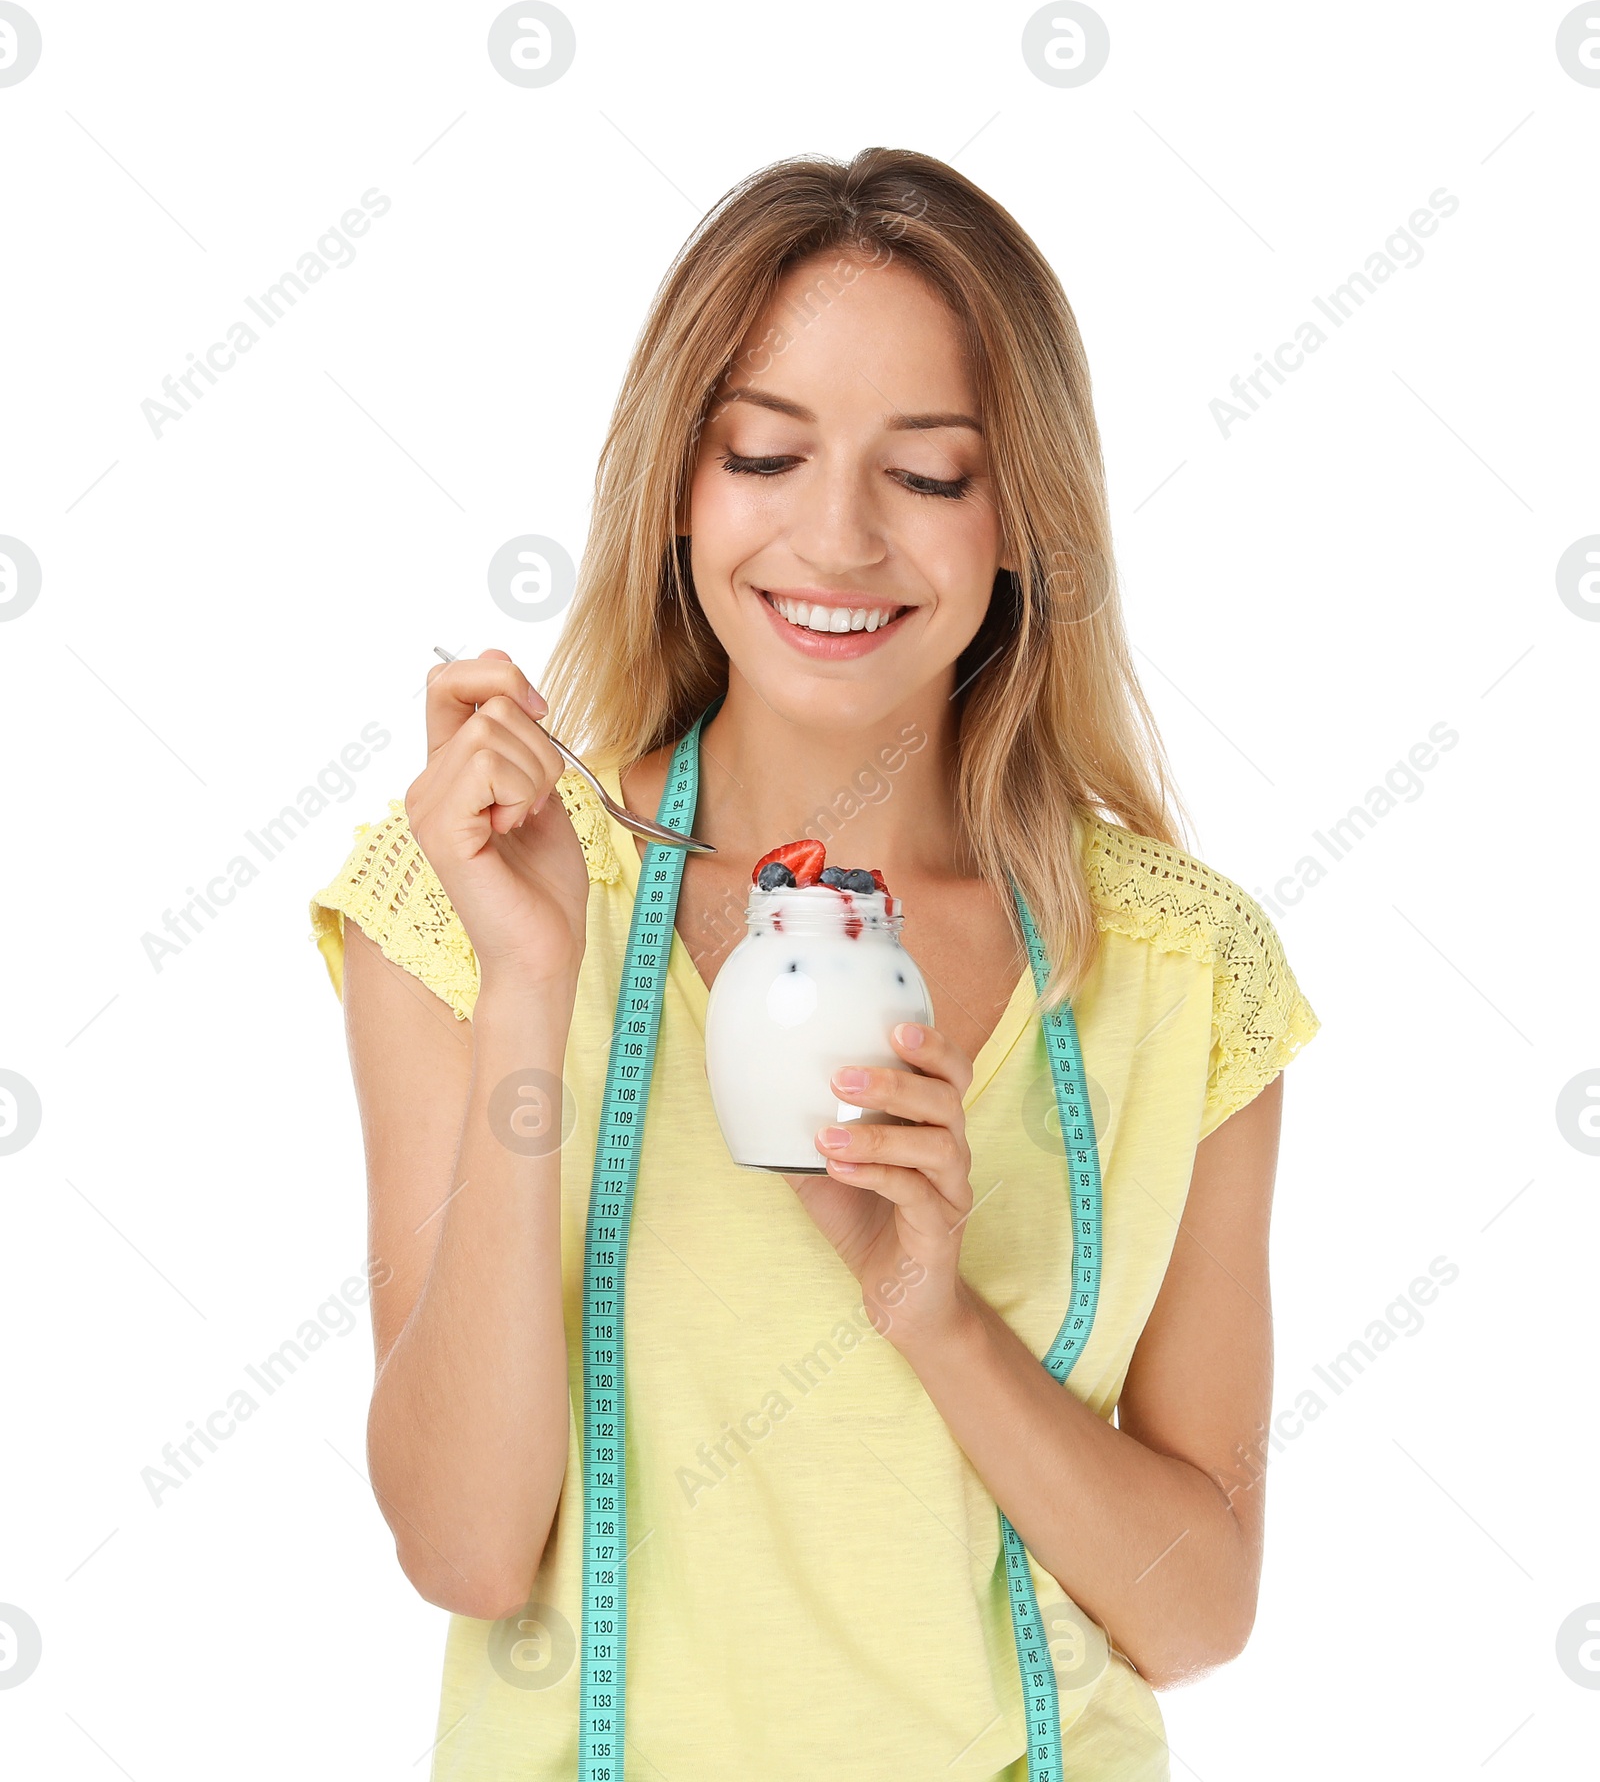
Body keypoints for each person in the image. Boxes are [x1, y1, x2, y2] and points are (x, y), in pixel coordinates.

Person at [309, 146, 1321, 1782]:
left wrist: (934, 1309)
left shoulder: (1178, 970)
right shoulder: (461, 897)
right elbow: (466, 1555)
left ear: (1024, 525)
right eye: (766, 454)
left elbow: (1197, 1617)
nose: (837, 538)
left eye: (929, 475)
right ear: (679, 491)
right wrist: (530, 992)